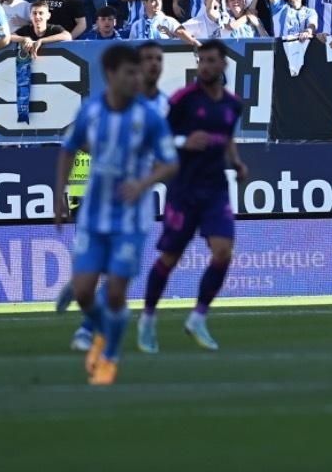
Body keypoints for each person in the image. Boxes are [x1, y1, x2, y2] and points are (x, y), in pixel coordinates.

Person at [53, 44, 178, 386]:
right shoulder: (91, 111)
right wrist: (59, 195)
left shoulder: (150, 117)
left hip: (130, 219)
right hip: (93, 216)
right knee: (83, 293)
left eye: (139, 72)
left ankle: (109, 357)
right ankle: (103, 329)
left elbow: (170, 162)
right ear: (111, 75)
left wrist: (144, 183)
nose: (137, 77)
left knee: (115, 294)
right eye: (130, 72)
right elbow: (68, 149)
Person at [133, 39, 247, 354]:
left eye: (212, 61)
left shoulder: (233, 104)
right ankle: (147, 319)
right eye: (202, 61)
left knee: (223, 251)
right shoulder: (183, 100)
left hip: (215, 189)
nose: (206, 66)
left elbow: (226, 139)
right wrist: (184, 141)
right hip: (183, 189)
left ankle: (198, 317)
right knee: (170, 259)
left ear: (223, 65)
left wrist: (236, 162)